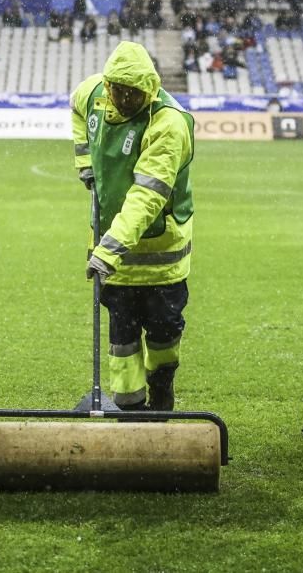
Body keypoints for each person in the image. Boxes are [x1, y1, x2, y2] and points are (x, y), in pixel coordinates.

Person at [70, 41, 195, 411]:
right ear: (109, 85)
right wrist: (84, 161)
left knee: (163, 339)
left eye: (133, 94)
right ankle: (130, 412)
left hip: (161, 258)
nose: (124, 100)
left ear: (149, 89)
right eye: (119, 91)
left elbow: (147, 197)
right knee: (122, 341)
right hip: (116, 262)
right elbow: (76, 107)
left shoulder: (169, 123)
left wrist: (108, 250)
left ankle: (161, 388)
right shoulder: (94, 93)